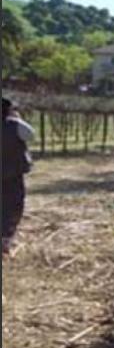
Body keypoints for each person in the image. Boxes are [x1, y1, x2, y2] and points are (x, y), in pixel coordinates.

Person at [2, 97, 35, 255]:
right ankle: (5, 238)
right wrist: (17, 118)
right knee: (14, 204)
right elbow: (31, 135)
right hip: (13, 173)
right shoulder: (15, 125)